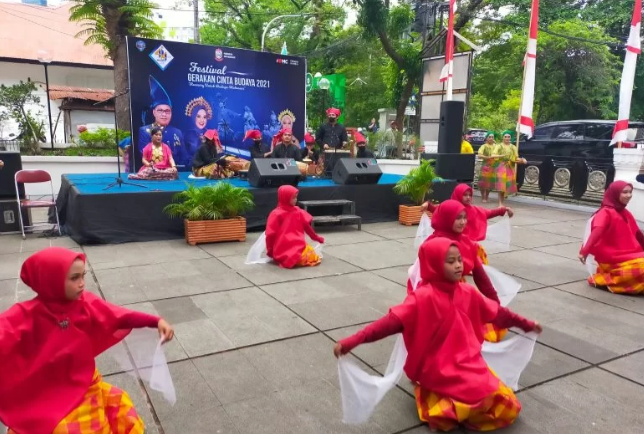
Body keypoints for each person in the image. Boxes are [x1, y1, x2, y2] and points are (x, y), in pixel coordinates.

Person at [334, 238, 541, 432]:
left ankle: (453, 403)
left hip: (467, 360)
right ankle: (441, 402)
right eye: (451, 261)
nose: (459, 265)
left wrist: (526, 324)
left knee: (504, 403)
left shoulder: (468, 293)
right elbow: (387, 324)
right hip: (437, 365)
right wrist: (351, 342)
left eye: (460, 259)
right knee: (479, 394)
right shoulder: (421, 299)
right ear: (433, 264)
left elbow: (498, 313)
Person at [0, 247, 175, 434]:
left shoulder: (85, 304)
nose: (82, 283)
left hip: (84, 383)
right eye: (74, 278)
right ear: (51, 280)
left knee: (107, 413)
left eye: (83, 275)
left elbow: (119, 315)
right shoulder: (26, 315)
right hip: (45, 388)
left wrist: (155, 321)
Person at [414, 199, 506, 342]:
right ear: (446, 218)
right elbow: (423, 279)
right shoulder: (431, 245)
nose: (463, 222)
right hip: (436, 299)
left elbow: (481, 277)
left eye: (464, 218)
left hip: (458, 294)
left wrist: (496, 305)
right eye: (458, 218)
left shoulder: (467, 243)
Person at [579, 180, 644, 294]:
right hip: (612, 258)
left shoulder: (625, 212)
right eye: (624, 192)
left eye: (630, 192)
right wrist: (584, 251)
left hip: (629, 254)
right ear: (615, 193)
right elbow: (596, 232)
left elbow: (638, 234)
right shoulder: (605, 213)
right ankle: (606, 281)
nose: (629, 195)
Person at [421, 184, 513, 263]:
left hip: (466, 244)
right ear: (458, 194)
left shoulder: (475, 210)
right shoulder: (450, 207)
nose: (468, 197)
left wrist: (504, 209)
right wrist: (428, 206)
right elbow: (438, 210)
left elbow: (489, 213)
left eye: (470, 195)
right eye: (465, 195)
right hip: (451, 241)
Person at [266, 185, 325, 268]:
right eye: (293, 198)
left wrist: (316, 237)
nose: (296, 200)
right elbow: (270, 234)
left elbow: (306, 227)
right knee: (299, 258)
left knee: (311, 256)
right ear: (285, 197)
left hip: (299, 245)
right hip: (283, 247)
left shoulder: (298, 211)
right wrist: (270, 250)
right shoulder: (276, 214)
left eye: (296, 197)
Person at [138, 75, 186, 169]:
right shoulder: (145, 131)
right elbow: (145, 156)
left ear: (171, 113)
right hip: (154, 171)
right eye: (160, 110)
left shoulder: (177, 132)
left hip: (176, 171)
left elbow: (184, 155)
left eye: (167, 111)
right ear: (154, 112)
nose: (164, 114)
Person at [493, 130, 527, 206]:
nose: (507, 138)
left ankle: (503, 200)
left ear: (510, 138)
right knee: (501, 185)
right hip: (501, 166)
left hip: (510, 167)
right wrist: (501, 156)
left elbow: (515, 158)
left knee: (506, 185)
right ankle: (500, 203)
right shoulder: (499, 146)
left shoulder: (513, 147)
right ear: (503, 138)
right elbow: (493, 155)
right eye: (505, 137)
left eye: (509, 137)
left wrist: (522, 160)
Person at [477, 131, 497, 203]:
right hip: (485, 166)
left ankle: (487, 196)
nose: (491, 138)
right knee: (483, 182)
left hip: (493, 166)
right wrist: (487, 157)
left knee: (490, 183)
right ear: (487, 138)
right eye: (490, 137)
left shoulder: (495, 146)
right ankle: (483, 196)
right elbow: (479, 155)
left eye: (492, 137)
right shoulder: (484, 146)